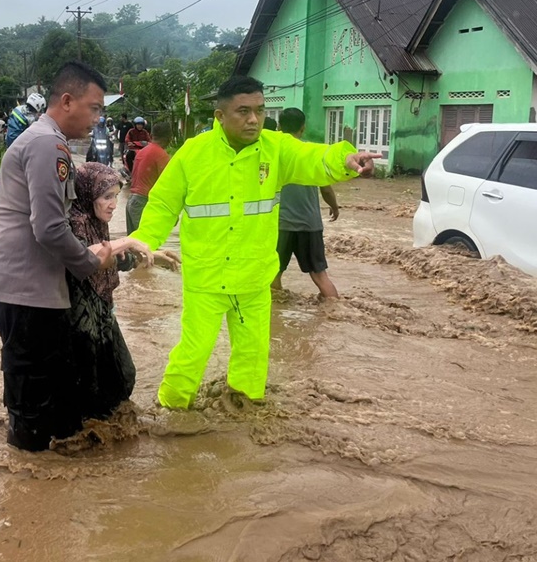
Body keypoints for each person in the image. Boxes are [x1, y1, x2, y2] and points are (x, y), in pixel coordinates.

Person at [129, 76, 380, 409]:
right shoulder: (193, 154)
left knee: (252, 357)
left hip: (254, 279)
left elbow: (314, 158)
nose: (253, 119)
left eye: (260, 111)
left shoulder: (276, 148)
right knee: (192, 353)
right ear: (220, 116)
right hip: (206, 279)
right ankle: (171, 411)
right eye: (243, 111)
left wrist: (345, 160)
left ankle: (244, 414)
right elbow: (162, 204)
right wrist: (142, 241)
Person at [0, 61, 153, 451]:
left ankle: (35, 475)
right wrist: (92, 262)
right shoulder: (46, 144)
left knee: (49, 401)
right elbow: (50, 228)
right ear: (67, 101)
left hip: (29, 293)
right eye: (94, 108)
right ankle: (25, 480)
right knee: (33, 415)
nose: (97, 119)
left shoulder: (45, 141)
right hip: (24, 295)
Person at [66, 163, 171, 423]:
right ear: (87, 195)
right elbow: (86, 256)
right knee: (91, 388)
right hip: (80, 320)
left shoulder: (96, 223)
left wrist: (153, 255)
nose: (114, 204)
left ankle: (112, 432)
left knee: (123, 377)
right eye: (107, 197)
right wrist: (130, 240)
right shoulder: (74, 224)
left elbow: (116, 259)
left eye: (115, 196)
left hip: (101, 313)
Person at [270, 108, 340, 297]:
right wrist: (334, 207)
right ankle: (336, 309)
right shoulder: (310, 154)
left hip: (281, 225)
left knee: (274, 274)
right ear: (303, 128)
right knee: (320, 276)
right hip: (309, 224)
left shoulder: (272, 153)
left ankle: (277, 313)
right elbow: (326, 188)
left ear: (279, 127)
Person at [126, 121, 172, 234]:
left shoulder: (142, 152)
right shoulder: (162, 155)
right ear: (169, 138)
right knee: (147, 241)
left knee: (133, 242)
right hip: (143, 203)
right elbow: (167, 186)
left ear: (151, 136)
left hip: (131, 201)